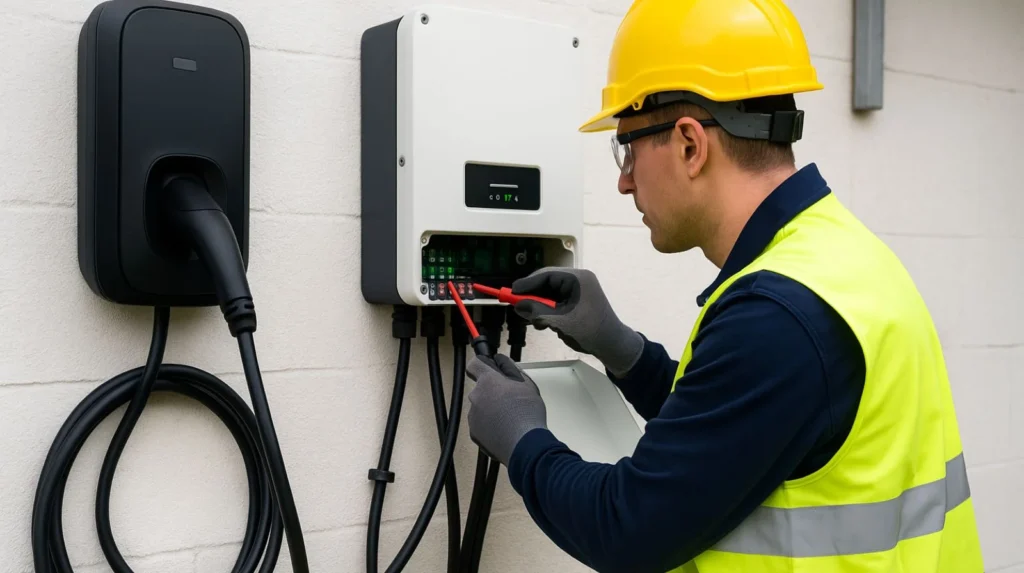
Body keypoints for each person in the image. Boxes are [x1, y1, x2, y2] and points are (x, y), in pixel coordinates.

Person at [463, 0, 985, 572]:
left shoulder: (777, 316)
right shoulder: (841, 260)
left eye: (628, 148)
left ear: (690, 144)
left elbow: (628, 526)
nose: (623, 181)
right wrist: (623, 350)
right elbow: (740, 437)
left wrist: (522, 441)